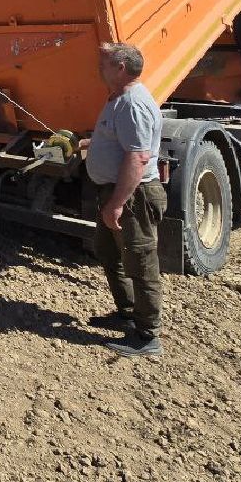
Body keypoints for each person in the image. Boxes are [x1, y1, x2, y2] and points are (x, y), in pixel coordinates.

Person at [83, 41, 167, 358]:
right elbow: (119, 140)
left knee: (140, 261)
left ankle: (147, 336)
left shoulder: (133, 104)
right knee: (108, 251)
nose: (98, 68)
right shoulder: (118, 99)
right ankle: (127, 312)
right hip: (115, 192)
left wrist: (118, 204)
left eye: (104, 63)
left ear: (120, 68)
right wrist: (87, 144)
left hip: (133, 197)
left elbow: (138, 157)